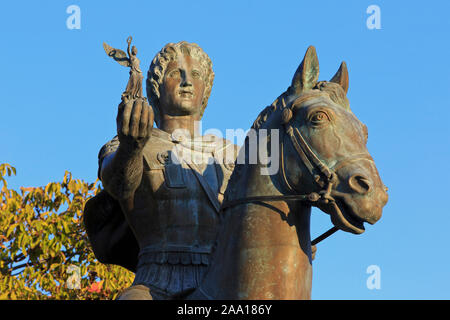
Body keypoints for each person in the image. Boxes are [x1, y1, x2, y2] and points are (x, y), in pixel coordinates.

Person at [84, 41, 238, 300]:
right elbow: (117, 183)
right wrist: (130, 147)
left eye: (196, 75)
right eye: (176, 73)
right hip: (154, 282)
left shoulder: (232, 154)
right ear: (156, 86)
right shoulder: (131, 142)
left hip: (223, 281)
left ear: (206, 89)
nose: (187, 81)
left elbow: (254, 213)